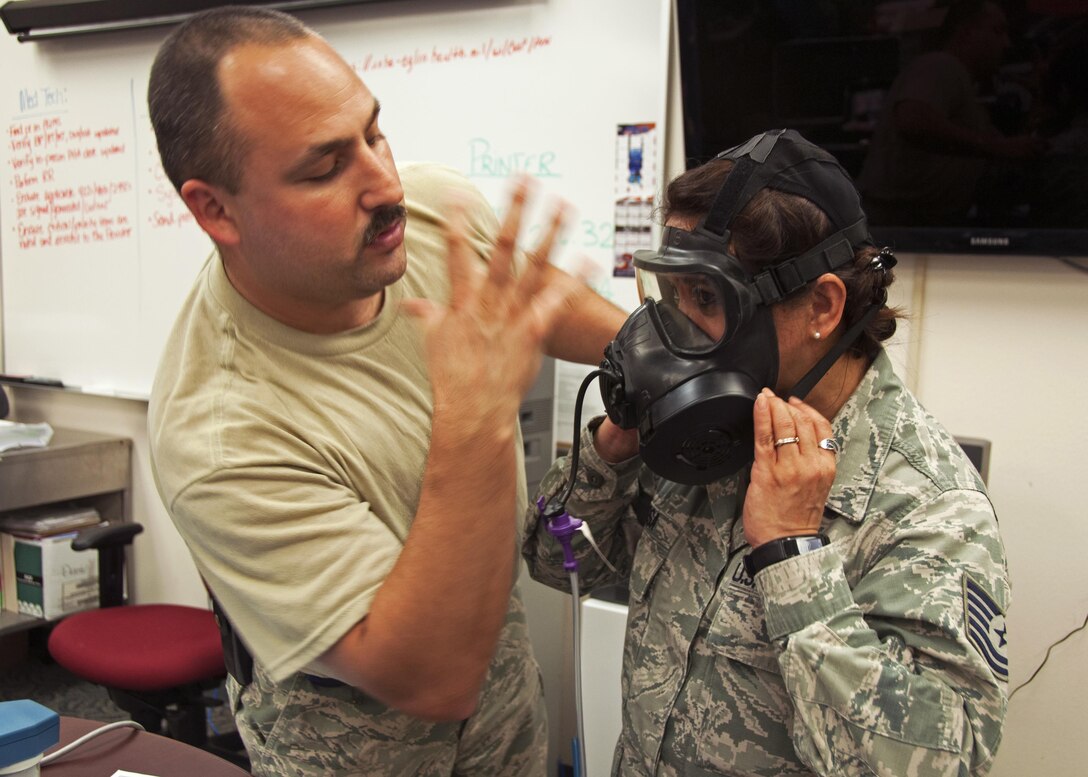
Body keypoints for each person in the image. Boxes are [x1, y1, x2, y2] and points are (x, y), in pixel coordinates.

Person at [145, 6, 627, 776]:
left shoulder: (426, 214)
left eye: (375, 134)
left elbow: (534, 293)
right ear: (215, 209)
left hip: (502, 696)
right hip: (357, 741)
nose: (385, 183)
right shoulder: (220, 435)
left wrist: (649, 349)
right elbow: (430, 675)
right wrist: (474, 417)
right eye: (324, 168)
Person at [524, 129, 1010, 776]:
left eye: (705, 298)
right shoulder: (707, 430)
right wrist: (614, 446)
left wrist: (790, 558)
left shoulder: (928, 506)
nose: (677, 326)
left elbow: (942, 763)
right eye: (671, 295)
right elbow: (556, 563)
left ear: (822, 305)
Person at [857, 0, 1044, 226]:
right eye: (997, 31)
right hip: (897, 228)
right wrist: (997, 147)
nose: (1006, 43)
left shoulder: (967, 96)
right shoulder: (941, 65)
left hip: (921, 230)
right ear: (966, 32)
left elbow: (1011, 152)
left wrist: (1041, 96)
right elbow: (913, 119)